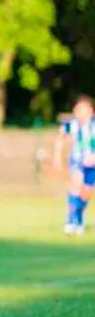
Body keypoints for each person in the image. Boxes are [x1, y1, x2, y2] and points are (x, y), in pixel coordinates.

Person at [54, 96, 95, 235]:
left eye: (83, 109)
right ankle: (71, 221)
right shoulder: (71, 124)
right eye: (78, 109)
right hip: (77, 161)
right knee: (76, 186)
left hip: (93, 164)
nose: (80, 112)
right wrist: (57, 157)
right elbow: (60, 138)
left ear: (90, 111)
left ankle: (79, 217)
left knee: (86, 194)